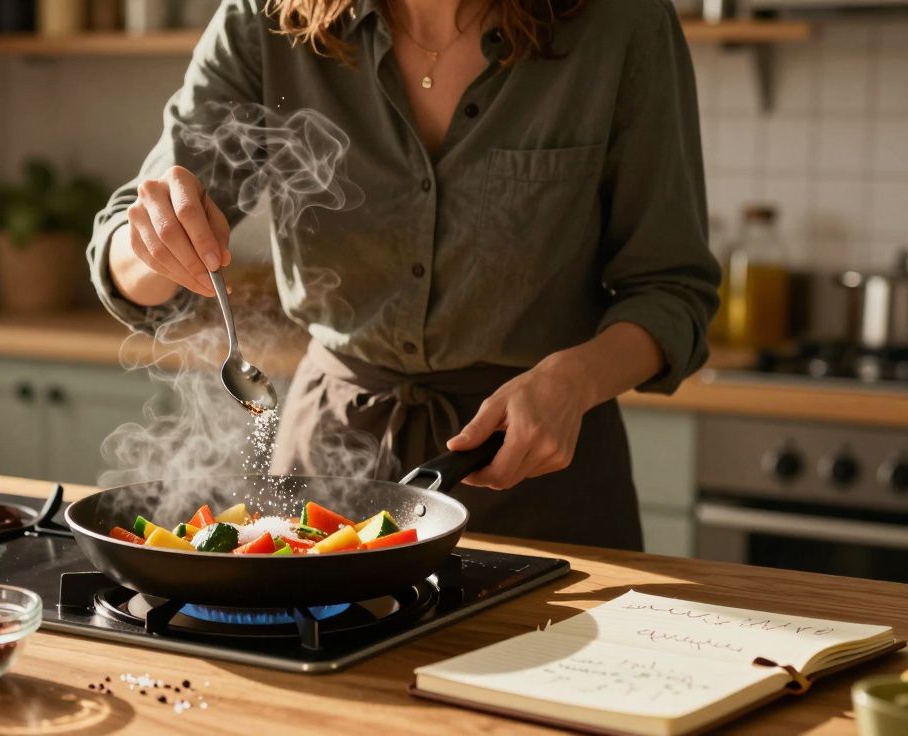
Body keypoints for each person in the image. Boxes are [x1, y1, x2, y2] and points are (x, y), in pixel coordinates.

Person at [86, 0, 719, 551]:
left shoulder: (624, 24)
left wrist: (574, 381)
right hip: (325, 476)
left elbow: (672, 292)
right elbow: (128, 251)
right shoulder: (267, 19)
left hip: (539, 475)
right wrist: (150, 241)